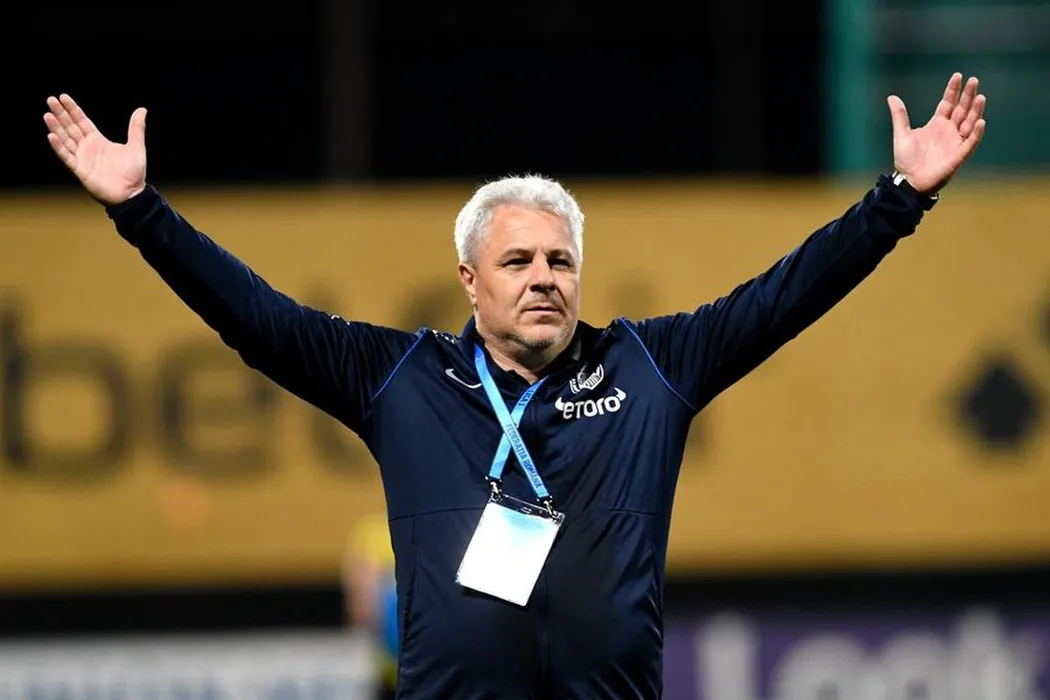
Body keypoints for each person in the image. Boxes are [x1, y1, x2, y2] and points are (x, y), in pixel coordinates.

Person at [42, 73, 986, 699]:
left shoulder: (650, 366)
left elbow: (785, 295)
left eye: (561, 261)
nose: (544, 279)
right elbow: (259, 320)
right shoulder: (400, 379)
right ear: (470, 279)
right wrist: (140, 211)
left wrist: (898, 200)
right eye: (519, 261)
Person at [343, 513, 400, 700]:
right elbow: (359, 611)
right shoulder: (369, 536)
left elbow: (357, 612)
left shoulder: (371, 536)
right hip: (391, 671)